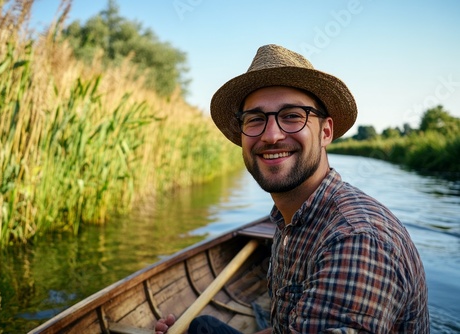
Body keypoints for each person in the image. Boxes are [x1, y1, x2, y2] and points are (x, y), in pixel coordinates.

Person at [155, 44, 429, 333]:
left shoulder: (356, 241)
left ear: (325, 132)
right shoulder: (289, 218)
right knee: (201, 328)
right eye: (256, 119)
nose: (271, 136)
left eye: (293, 116)